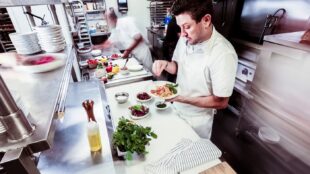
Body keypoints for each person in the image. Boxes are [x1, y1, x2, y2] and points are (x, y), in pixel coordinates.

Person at [152, 0, 238, 139]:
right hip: (176, 109)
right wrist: (166, 64)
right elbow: (177, 68)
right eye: (180, 27)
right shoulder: (186, 38)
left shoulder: (223, 53)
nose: (182, 33)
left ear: (206, 20)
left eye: (187, 26)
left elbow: (221, 102)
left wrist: (180, 98)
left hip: (197, 122)